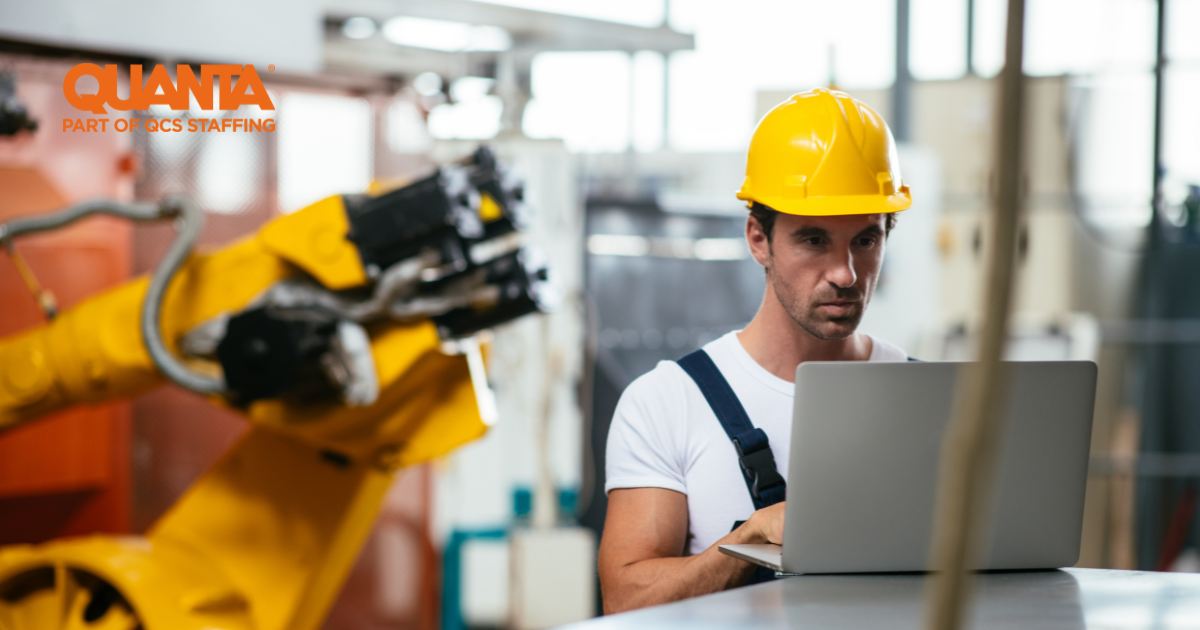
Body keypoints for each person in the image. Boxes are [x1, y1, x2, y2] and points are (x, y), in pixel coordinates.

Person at [597, 88, 914, 613]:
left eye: (865, 239)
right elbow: (627, 598)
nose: (845, 274)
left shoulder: (927, 402)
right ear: (758, 239)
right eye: (814, 240)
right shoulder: (668, 403)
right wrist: (750, 540)